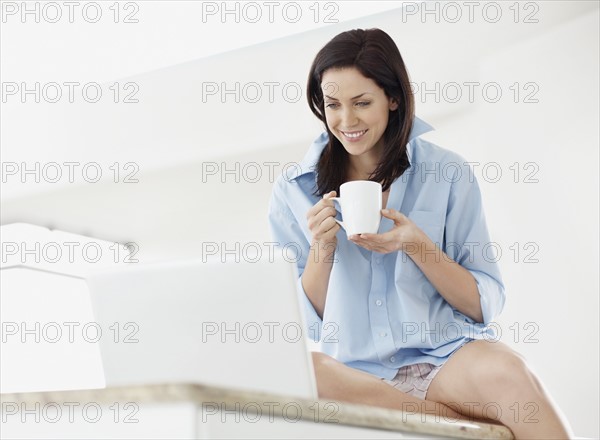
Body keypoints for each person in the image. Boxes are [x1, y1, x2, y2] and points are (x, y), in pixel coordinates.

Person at [268, 28, 573, 439]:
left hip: (446, 357)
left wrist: (417, 245)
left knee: (508, 371)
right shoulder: (293, 189)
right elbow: (310, 324)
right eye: (333, 105)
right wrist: (323, 249)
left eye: (362, 103)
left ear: (393, 99)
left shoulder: (448, 173)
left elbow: (485, 302)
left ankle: (449, 425)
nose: (346, 120)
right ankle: (474, 429)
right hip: (358, 372)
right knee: (309, 373)